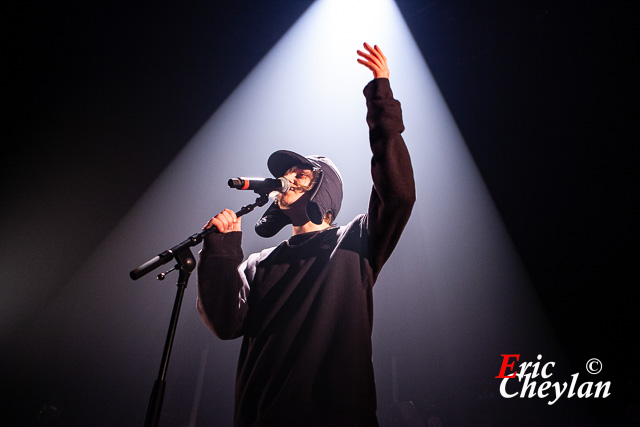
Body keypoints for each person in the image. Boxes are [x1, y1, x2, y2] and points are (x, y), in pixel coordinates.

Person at [197, 42, 415, 427]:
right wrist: (220, 252)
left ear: (324, 193)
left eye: (302, 173)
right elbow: (226, 323)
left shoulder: (354, 242)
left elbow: (398, 195)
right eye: (289, 172)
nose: (289, 178)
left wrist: (381, 96)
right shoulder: (258, 264)